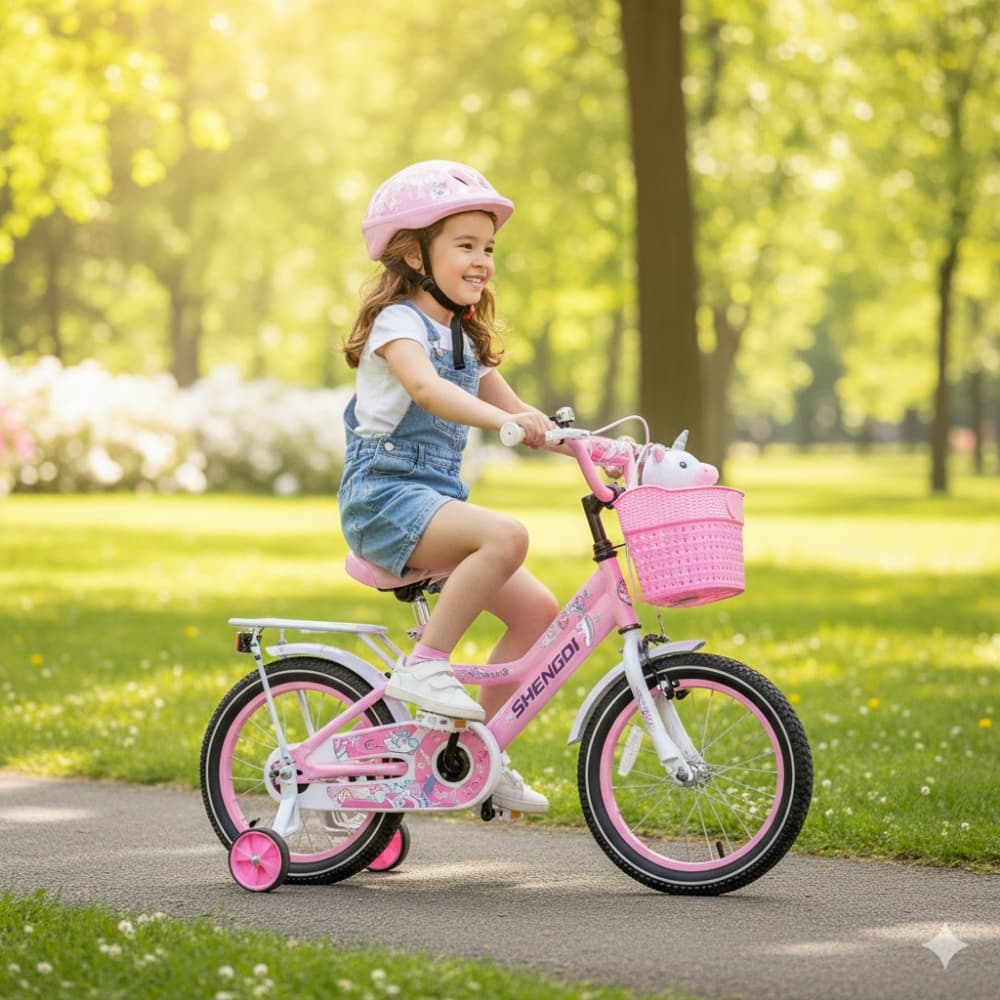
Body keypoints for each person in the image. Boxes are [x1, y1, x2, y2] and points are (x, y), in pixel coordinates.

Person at [338, 160, 558, 814]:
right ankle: (427, 662)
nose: (483, 260)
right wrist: (507, 422)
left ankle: (474, 752)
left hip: (431, 504)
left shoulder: (463, 337)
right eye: (465, 245)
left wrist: (572, 438)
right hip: (384, 499)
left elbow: (519, 409)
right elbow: (426, 391)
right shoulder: (400, 325)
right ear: (414, 252)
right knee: (507, 535)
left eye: (488, 248)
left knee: (538, 614)